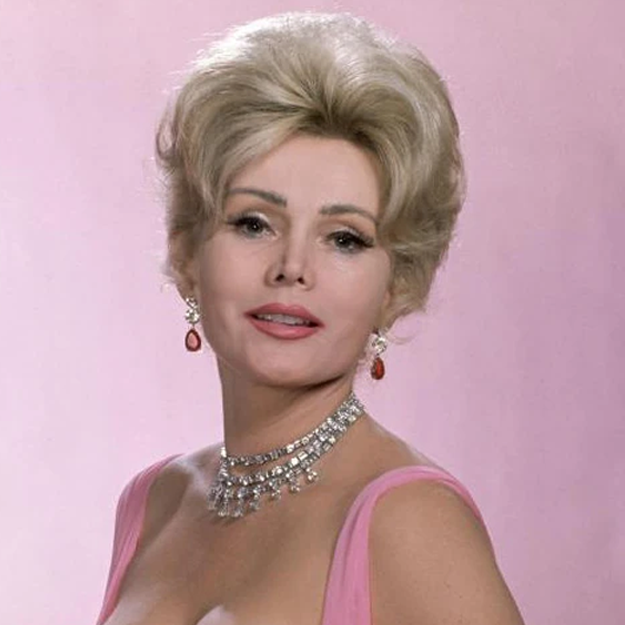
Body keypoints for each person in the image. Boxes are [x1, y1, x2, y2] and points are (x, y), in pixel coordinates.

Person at [95, 11, 525, 625]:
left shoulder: (411, 522)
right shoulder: (154, 502)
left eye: (345, 238)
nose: (293, 267)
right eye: (253, 223)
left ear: (396, 287)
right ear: (186, 253)